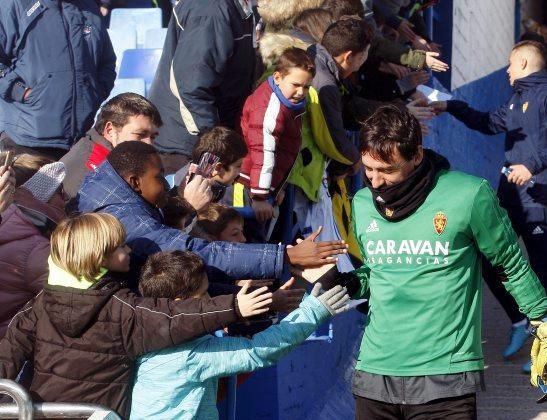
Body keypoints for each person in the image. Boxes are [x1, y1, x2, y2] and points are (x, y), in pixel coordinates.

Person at [327, 106, 547, 420]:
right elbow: (374, 276)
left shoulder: (468, 195)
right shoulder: (363, 204)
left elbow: (510, 263)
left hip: (445, 381)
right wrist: (339, 283)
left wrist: (543, 322)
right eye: (367, 168)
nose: (374, 180)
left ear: (416, 156)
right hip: (375, 380)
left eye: (386, 170)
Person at [0, 212, 274, 420]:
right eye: (120, 247)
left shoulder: (38, 305)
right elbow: (173, 317)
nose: (128, 250)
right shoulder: (122, 308)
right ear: (100, 258)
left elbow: (8, 356)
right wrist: (233, 307)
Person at [126, 250, 350, 420]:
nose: (211, 302)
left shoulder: (144, 331)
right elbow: (258, 352)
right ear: (182, 304)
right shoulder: (192, 352)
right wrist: (314, 311)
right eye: (205, 296)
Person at [434, 40, 547, 364]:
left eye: (510, 65)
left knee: (543, 270)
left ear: (524, 64)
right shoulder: (517, 99)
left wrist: (533, 166)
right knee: (489, 258)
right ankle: (520, 320)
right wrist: (449, 105)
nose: (507, 71)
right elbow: (486, 123)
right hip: (510, 197)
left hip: (540, 198)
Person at [76, 141, 347, 282]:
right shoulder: (121, 218)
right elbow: (196, 252)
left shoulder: (108, 188)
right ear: (135, 182)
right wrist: (286, 256)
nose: (165, 185)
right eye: (159, 178)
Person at [149, 0, 259, 172]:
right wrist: (216, 142)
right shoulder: (211, 9)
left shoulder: (236, 7)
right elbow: (192, 87)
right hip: (188, 144)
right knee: (196, 196)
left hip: (208, 137)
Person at [0, 0, 116, 159]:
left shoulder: (89, 7)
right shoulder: (13, 5)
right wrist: (21, 91)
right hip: (27, 142)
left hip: (79, 142)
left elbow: (106, 61)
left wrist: (96, 91)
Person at [240, 47, 316, 226]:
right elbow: (262, 151)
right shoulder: (270, 109)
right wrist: (259, 196)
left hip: (265, 184)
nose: (301, 92)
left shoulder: (289, 102)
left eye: (306, 87)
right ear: (277, 77)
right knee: (250, 235)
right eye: (295, 85)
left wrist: (277, 187)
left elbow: (284, 148)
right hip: (249, 184)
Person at [0, 160, 65, 339]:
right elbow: (73, 302)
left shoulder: (8, 220)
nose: (66, 197)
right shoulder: (38, 248)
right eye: (60, 190)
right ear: (41, 193)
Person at [61, 93, 162, 198]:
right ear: (110, 131)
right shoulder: (91, 171)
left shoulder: (110, 159)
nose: (149, 144)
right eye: (140, 134)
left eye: (153, 137)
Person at [308, 17, 374, 178]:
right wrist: (355, 159)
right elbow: (334, 138)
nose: (365, 59)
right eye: (364, 54)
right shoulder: (326, 86)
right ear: (349, 57)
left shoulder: (313, 54)